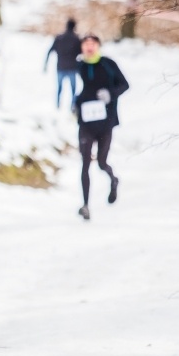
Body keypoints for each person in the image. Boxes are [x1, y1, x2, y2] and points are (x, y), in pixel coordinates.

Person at [73, 33, 129, 221]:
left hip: (106, 123)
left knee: (102, 163)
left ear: (98, 46)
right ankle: (86, 205)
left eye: (93, 44)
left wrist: (110, 94)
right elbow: (83, 90)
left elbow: (125, 85)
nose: (89, 47)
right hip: (86, 122)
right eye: (86, 44)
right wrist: (76, 103)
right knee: (85, 163)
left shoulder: (108, 63)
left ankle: (113, 180)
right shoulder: (80, 66)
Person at [43, 18, 81, 111]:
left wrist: (45, 64)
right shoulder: (76, 39)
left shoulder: (59, 38)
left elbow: (50, 51)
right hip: (72, 67)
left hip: (60, 67)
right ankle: (72, 106)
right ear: (74, 26)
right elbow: (82, 53)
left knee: (59, 88)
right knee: (73, 89)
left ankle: (57, 105)